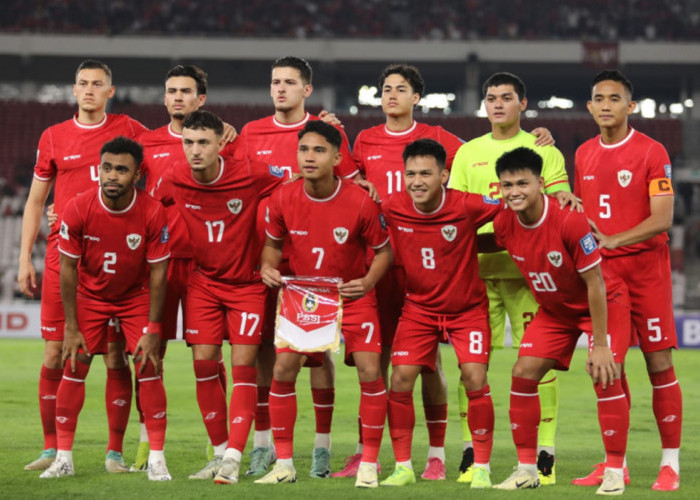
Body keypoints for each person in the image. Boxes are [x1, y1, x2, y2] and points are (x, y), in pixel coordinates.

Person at [18, 60, 148, 473]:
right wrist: (26, 257)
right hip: (64, 257)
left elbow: (171, 146)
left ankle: (114, 453)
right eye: (82, 83)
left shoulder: (130, 129)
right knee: (56, 351)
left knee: (114, 356)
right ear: (73, 90)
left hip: (117, 259)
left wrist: (229, 136)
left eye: (97, 84)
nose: (89, 90)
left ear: (111, 91)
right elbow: (37, 200)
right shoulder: (54, 137)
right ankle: (51, 449)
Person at [448, 71, 573, 484]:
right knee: (473, 366)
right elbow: (458, 214)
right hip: (478, 278)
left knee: (539, 364)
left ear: (523, 103)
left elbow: (560, 205)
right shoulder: (467, 153)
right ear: (483, 104)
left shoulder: (542, 149)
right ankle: (472, 453)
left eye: (506, 97)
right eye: (491, 97)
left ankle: (544, 454)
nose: (497, 104)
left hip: (531, 278)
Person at [238, 56, 357, 478]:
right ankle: (263, 446)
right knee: (264, 356)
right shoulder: (250, 133)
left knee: (317, 356)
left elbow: (354, 186)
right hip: (267, 262)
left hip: (314, 267)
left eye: (289, 82)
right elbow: (235, 184)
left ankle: (321, 448)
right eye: (275, 82)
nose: (280, 89)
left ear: (307, 89)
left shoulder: (327, 131)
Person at [258, 120, 392, 488]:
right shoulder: (283, 197)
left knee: (369, 370)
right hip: (306, 295)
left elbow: (384, 251)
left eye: (318, 150)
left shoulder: (360, 200)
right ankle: (284, 463)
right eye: (304, 149)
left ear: (337, 157)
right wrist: (267, 266)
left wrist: (366, 282)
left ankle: (368, 462)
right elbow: (271, 244)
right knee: (283, 368)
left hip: (351, 293)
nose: (309, 157)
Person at [490, 147, 631, 495]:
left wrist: (599, 344)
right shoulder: (503, 223)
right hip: (556, 312)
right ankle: (526, 469)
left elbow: (595, 283)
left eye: (523, 183)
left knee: (605, 373)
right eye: (507, 185)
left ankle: (614, 470)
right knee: (523, 373)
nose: (514, 191)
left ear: (541, 183)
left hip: (602, 302)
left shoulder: (570, 220)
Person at [156, 110, 281, 485]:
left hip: (247, 285)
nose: (195, 150)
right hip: (203, 284)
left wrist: (271, 247)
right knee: (203, 365)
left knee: (243, 367)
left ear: (220, 145)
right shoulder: (174, 177)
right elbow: (146, 207)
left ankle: (234, 457)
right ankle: (219, 451)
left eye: (203, 142)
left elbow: (294, 186)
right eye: (189, 143)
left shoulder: (251, 173)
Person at [573, 69, 682, 492]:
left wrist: (614, 239)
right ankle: (613, 464)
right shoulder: (583, 153)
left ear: (630, 106)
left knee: (659, 364)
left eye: (614, 99)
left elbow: (663, 218)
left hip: (648, 271)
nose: (605, 105)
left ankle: (669, 464)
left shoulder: (652, 151)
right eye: (598, 98)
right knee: (605, 368)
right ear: (589, 106)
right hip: (606, 277)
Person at [42, 136, 171, 480]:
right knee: (75, 362)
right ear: (99, 170)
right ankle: (63, 458)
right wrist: (71, 327)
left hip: (135, 296)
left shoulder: (152, 211)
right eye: (107, 168)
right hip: (91, 296)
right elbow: (67, 268)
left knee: (147, 364)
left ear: (137, 174)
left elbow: (159, 274)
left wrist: (155, 328)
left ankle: (157, 458)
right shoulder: (78, 207)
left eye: (121, 170)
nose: (112, 176)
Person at [379, 139, 501, 488]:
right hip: (419, 308)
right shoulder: (392, 206)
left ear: (444, 175)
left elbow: (513, 207)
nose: (417, 181)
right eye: (410, 174)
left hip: (467, 309)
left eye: (426, 174)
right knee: (400, 379)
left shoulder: (467, 205)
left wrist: (482, 243)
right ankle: (403, 466)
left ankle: (481, 466)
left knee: (475, 378)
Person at [131, 64, 234, 473]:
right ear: (164, 97)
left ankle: (218, 446)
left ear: (200, 99)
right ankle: (146, 445)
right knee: (148, 353)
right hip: (155, 262)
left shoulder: (220, 139)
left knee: (206, 359)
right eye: (171, 91)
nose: (177, 97)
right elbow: (121, 190)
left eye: (185, 91)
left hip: (201, 264)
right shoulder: (146, 143)